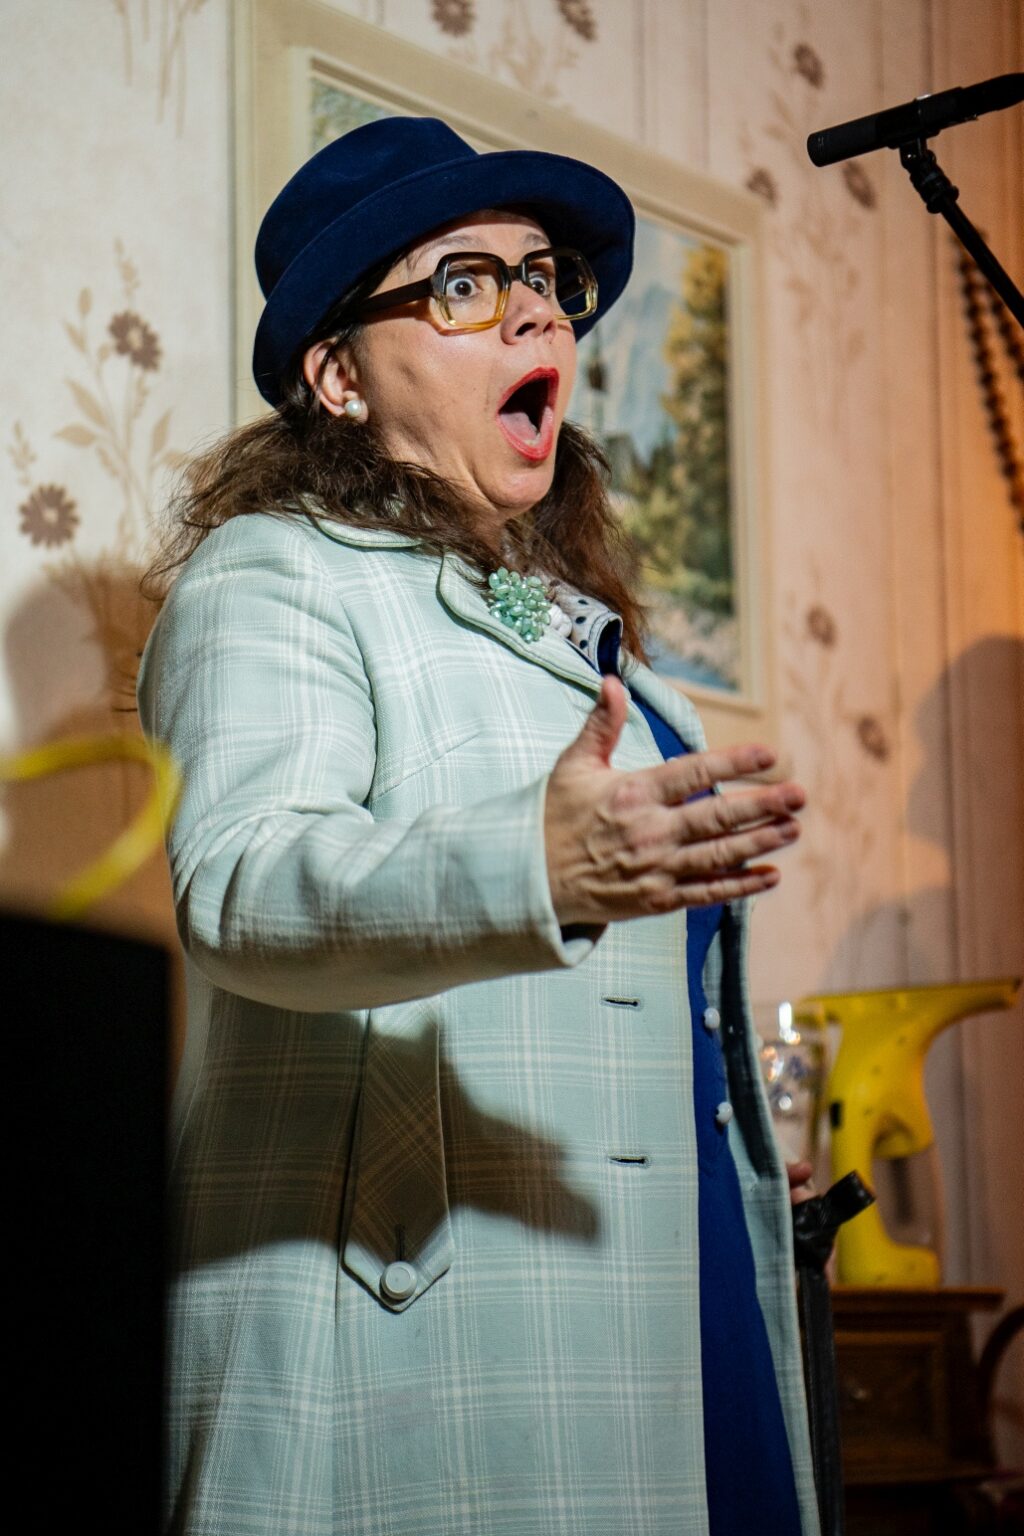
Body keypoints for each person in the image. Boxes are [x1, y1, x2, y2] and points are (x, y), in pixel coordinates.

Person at [139, 116, 820, 1535]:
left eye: (544, 278)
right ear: (337, 375)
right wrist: (535, 863)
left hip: (674, 1274)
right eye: (462, 282)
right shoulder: (276, 574)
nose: (534, 311)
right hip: (434, 1320)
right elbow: (241, 884)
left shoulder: (564, 622)